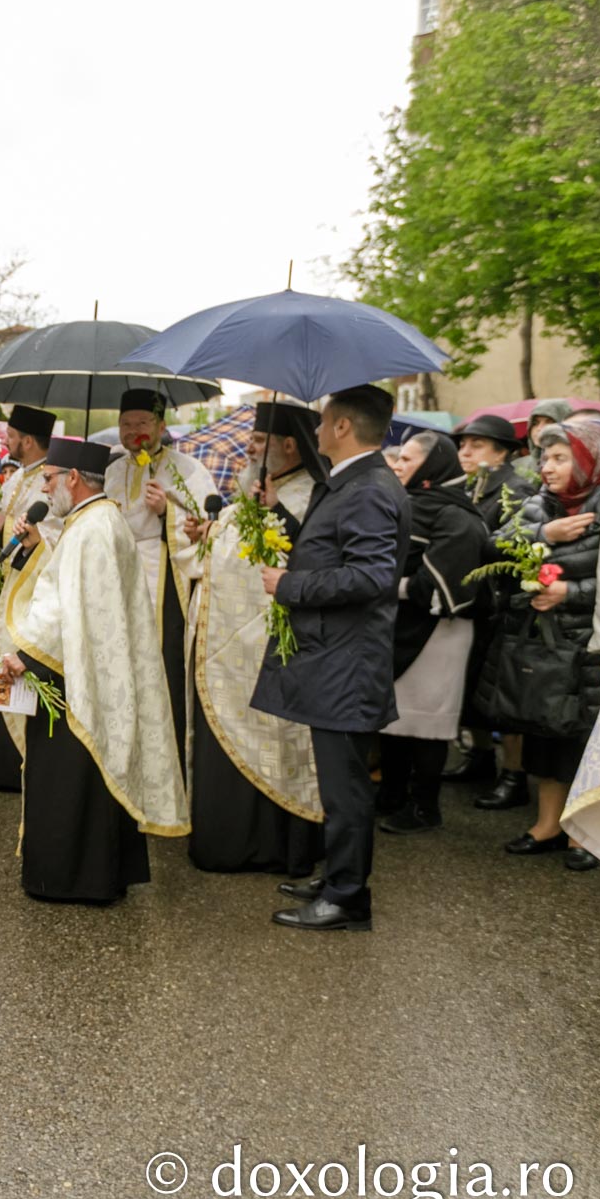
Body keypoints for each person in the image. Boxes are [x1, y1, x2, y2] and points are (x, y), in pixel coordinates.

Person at [0, 440, 187, 903]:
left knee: (71, 775)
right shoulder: (92, 520)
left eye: (49, 478)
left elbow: (71, 607)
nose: (44, 486)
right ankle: (95, 873)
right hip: (77, 667)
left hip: (75, 677)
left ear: (73, 479)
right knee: (78, 775)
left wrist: (27, 654)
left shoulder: (94, 527)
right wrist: (36, 545)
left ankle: (70, 877)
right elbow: (68, 586)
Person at [255, 384, 411, 932]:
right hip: (335, 656)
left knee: (346, 790)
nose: (316, 431)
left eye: (323, 422)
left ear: (343, 427)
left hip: (347, 662)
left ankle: (348, 899)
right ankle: (338, 877)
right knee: (336, 783)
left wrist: (291, 585)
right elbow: (334, 548)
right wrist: (282, 522)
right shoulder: (349, 481)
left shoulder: (367, 487)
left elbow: (371, 576)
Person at [182, 402, 325, 875]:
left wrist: (275, 509)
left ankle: (273, 846)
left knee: (277, 737)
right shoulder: (254, 488)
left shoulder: (310, 495)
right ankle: (225, 840)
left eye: (260, 441)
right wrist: (209, 531)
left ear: (289, 445)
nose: (249, 448)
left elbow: (309, 554)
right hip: (228, 648)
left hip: (269, 645)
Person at [485, 420, 600, 871]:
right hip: (542, 641)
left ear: (590, 458)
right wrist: (544, 536)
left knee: (583, 739)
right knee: (545, 733)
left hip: (588, 641)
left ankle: (586, 834)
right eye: (544, 458)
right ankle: (548, 823)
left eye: (560, 457)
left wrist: (567, 594)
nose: (547, 467)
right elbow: (493, 545)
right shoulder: (540, 503)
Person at [376, 432, 489, 835]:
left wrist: (385, 585)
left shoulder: (457, 515)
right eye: (400, 458)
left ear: (431, 466)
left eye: (408, 459)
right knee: (392, 719)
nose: (399, 465)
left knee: (427, 724)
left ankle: (425, 807)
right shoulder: (409, 505)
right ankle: (391, 794)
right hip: (402, 626)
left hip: (441, 632)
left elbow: (441, 583)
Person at [105, 389, 217, 750]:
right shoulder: (111, 468)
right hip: (115, 571)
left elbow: (206, 529)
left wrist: (168, 512)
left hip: (164, 577)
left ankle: (161, 743)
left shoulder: (188, 470)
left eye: (142, 422)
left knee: (160, 657)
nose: (132, 429)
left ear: (161, 426)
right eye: (126, 423)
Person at [0, 404, 60, 792]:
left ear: (26, 439)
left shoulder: (53, 482)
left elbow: (55, 533)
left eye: (10, 435)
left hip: (29, 595)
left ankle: (18, 762)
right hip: (1, 588)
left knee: (15, 662)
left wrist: (4, 524)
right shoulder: (13, 482)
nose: (5, 442)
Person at [451, 412, 533, 803]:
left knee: (501, 694)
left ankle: (513, 776)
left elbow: (512, 549)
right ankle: (480, 757)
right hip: (473, 604)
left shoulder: (514, 491)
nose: (465, 451)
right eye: (463, 444)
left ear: (502, 454)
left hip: (502, 606)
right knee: (470, 687)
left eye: (476, 445)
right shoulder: (471, 486)